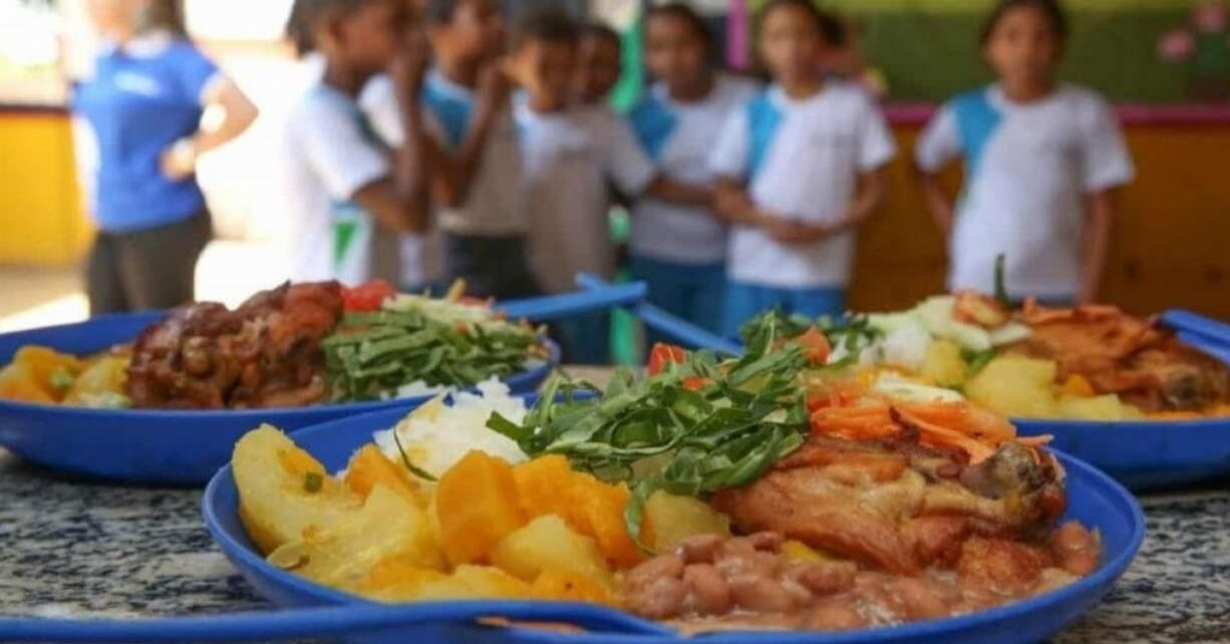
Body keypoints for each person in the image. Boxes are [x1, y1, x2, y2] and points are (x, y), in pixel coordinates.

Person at [509, 8, 709, 364]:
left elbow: (643, 181)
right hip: (526, 284)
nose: (559, 77)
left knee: (589, 372)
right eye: (546, 66)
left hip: (589, 283)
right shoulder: (507, 123)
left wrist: (722, 198)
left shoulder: (604, 122)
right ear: (517, 63)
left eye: (567, 66)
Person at [916, 0, 1134, 305]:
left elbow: (1104, 210)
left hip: (1058, 284)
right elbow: (923, 167)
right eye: (1012, 36)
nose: (1026, 50)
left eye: (1040, 37)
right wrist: (951, 225)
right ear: (989, 47)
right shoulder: (964, 111)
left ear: (1059, 45)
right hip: (978, 281)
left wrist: (1090, 292)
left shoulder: (1086, 111)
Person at [710, 0, 895, 336]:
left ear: (822, 40)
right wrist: (764, 220)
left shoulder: (854, 107)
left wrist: (826, 228)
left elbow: (877, 192)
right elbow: (723, 194)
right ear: (762, 47)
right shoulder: (749, 111)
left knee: (819, 364)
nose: (792, 47)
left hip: (821, 274)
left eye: (803, 34)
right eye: (778, 37)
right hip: (753, 271)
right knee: (739, 360)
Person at [74, 0, 258, 314]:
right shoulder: (104, 59)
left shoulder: (178, 59)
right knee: (103, 326)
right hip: (111, 219)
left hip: (163, 219)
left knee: (159, 327)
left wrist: (186, 153)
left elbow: (242, 110)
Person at [627, 3, 758, 342]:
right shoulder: (644, 113)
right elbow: (647, 184)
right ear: (645, 57)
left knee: (719, 355)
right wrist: (719, 196)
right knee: (662, 358)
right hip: (657, 256)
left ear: (706, 45)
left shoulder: (746, 99)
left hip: (726, 258)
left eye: (684, 44)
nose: (674, 58)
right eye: (658, 48)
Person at [279, 0, 432, 286]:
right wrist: (407, 100)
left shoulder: (357, 111)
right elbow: (409, 216)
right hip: (334, 304)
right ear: (337, 31)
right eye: (396, 23)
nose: (416, 37)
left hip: (366, 300)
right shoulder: (319, 116)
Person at [412, 0, 538, 301]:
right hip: (467, 249)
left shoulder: (501, 89)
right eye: (483, 16)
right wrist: (485, 112)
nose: (499, 26)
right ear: (440, 31)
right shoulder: (430, 101)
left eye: (500, 15)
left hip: (512, 241)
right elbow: (451, 196)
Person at [575, 21, 623, 107]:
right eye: (593, 63)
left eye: (608, 66)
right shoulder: (551, 112)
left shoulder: (618, 115)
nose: (603, 75)